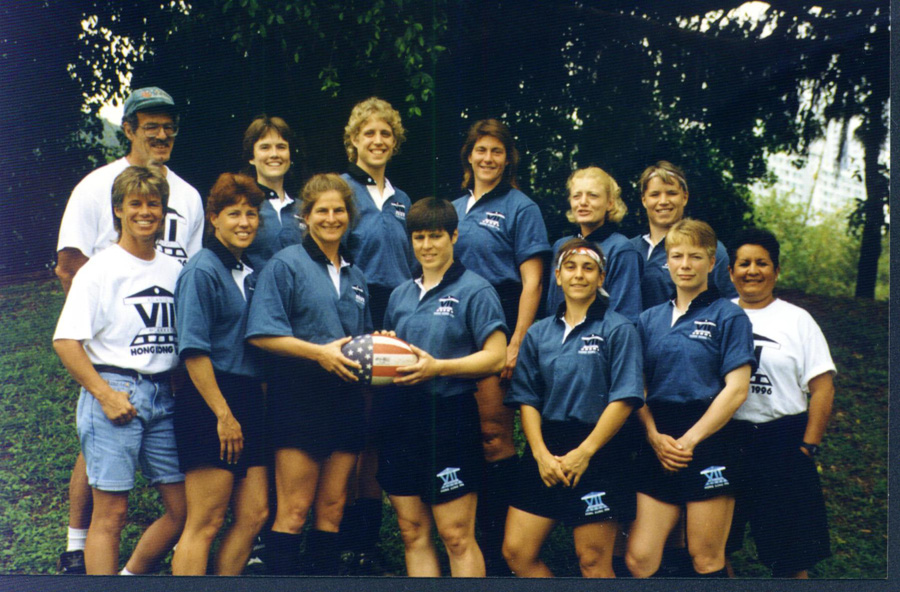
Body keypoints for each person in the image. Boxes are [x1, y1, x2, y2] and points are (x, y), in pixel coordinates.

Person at [53, 86, 203, 574]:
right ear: (118, 210)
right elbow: (65, 339)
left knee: (182, 510)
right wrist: (102, 392)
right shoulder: (100, 265)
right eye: (135, 205)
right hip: (115, 383)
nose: (146, 213)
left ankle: (128, 576)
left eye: (154, 207)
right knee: (112, 511)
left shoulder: (171, 265)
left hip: (164, 390)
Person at [245, 173, 371, 575]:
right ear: (306, 217)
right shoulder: (286, 265)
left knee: (332, 510)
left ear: (349, 216)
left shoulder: (356, 275)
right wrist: (319, 354)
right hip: (300, 398)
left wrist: (382, 344)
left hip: (347, 397)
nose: (331, 218)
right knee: (295, 510)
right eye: (322, 211)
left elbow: (360, 340)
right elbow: (262, 334)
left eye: (339, 211)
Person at [377, 197, 508, 576]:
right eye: (419, 237)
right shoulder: (401, 294)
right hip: (401, 420)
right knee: (412, 531)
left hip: (449, 419)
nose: (427, 245)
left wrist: (439, 368)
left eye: (435, 236)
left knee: (455, 535)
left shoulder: (475, 290)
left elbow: (496, 357)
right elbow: (395, 354)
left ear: (454, 236)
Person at [503, 238, 643, 578]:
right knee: (517, 552)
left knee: (592, 561)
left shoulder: (619, 329)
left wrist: (586, 452)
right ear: (558, 276)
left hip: (599, 449)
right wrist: (539, 454)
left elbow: (624, 398)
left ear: (601, 278)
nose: (578, 275)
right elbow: (527, 399)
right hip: (547, 447)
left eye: (588, 268)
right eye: (570, 267)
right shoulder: (538, 334)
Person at [625, 219, 754, 578]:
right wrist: (653, 436)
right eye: (676, 256)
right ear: (666, 261)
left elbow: (737, 389)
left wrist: (690, 440)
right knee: (640, 557)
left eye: (695, 257)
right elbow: (639, 387)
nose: (684, 265)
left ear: (712, 262)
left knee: (705, 557)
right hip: (659, 438)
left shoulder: (730, 315)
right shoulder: (648, 320)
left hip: (709, 440)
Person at [451, 119, 551, 575]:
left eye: (497, 151)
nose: (487, 158)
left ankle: (498, 548)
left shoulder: (521, 207)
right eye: (480, 150)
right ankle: (466, 539)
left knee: (495, 436)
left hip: (503, 318)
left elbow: (533, 281)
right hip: (455, 323)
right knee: (463, 434)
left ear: (508, 158)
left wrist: (517, 342)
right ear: (468, 155)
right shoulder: (453, 208)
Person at [170, 173, 269, 575]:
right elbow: (193, 350)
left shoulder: (252, 272)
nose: (244, 222)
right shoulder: (202, 270)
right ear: (214, 218)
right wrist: (223, 415)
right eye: (234, 214)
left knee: (255, 513)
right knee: (206, 522)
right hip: (210, 400)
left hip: (250, 397)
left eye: (251, 213)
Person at [725, 228, 834, 578]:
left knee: (789, 555)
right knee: (712, 544)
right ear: (730, 271)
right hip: (727, 439)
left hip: (782, 441)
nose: (752, 271)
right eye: (744, 263)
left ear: (776, 270)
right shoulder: (717, 315)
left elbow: (822, 387)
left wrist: (808, 446)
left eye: (762, 263)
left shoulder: (797, 320)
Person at [338, 97, 413, 573]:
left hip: (400, 315)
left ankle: (366, 540)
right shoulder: (341, 191)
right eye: (369, 133)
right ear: (354, 140)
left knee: (380, 433)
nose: (378, 141)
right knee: (354, 430)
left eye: (386, 133)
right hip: (356, 314)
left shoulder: (405, 200)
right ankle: (341, 537)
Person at [630, 161, 736, 311]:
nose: (663, 201)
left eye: (671, 193)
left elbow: (733, 303)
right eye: (655, 194)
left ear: (684, 197)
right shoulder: (627, 249)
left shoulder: (708, 246)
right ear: (644, 200)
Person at [544, 167, 643, 324]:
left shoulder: (621, 248)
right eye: (577, 196)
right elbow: (552, 308)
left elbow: (626, 315)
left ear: (610, 203)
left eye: (593, 196)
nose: (583, 202)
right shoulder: (560, 246)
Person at [241, 115, 303, 271]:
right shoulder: (241, 206)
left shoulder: (304, 209)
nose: (274, 154)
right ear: (251, 157)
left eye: (281, 147)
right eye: (265, 147)